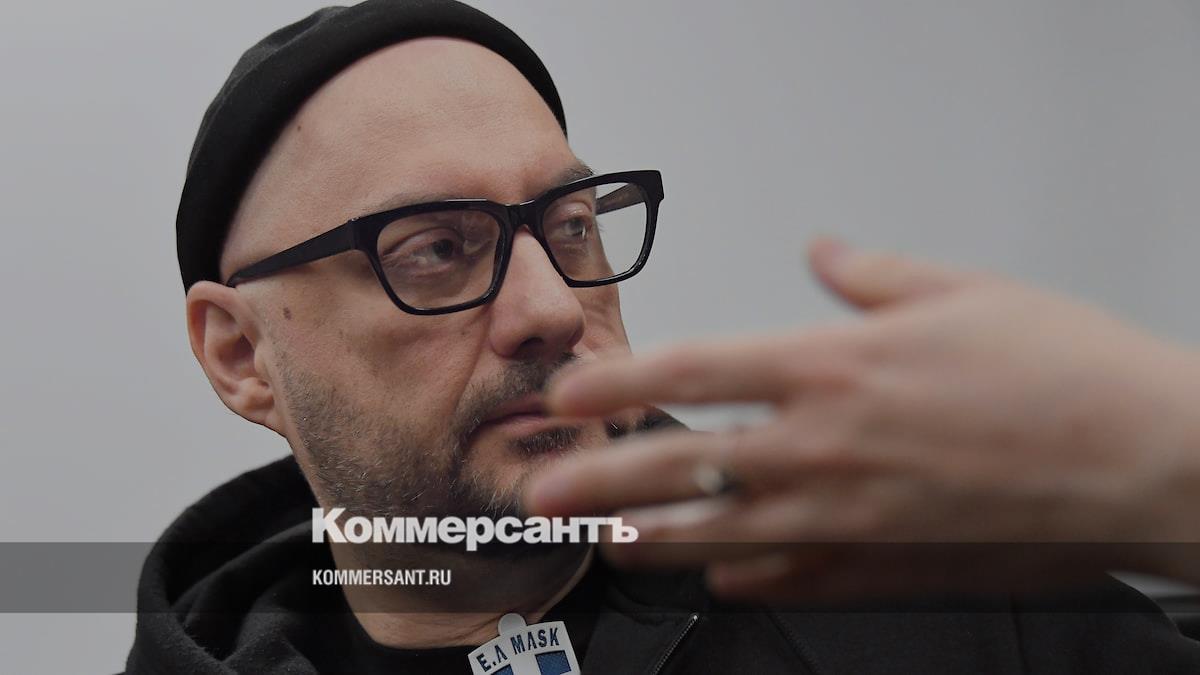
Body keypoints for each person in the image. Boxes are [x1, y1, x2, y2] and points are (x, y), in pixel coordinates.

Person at [126, 1, 1200, 673]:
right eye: (435, 250)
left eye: (570, 227)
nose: (552, 308)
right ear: (241, 356)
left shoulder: (920, 599)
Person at [526, 238, 1200, 604]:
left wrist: (1161, 455)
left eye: (572, 227)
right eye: (464, 244)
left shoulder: (901, 546)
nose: (556, 309)